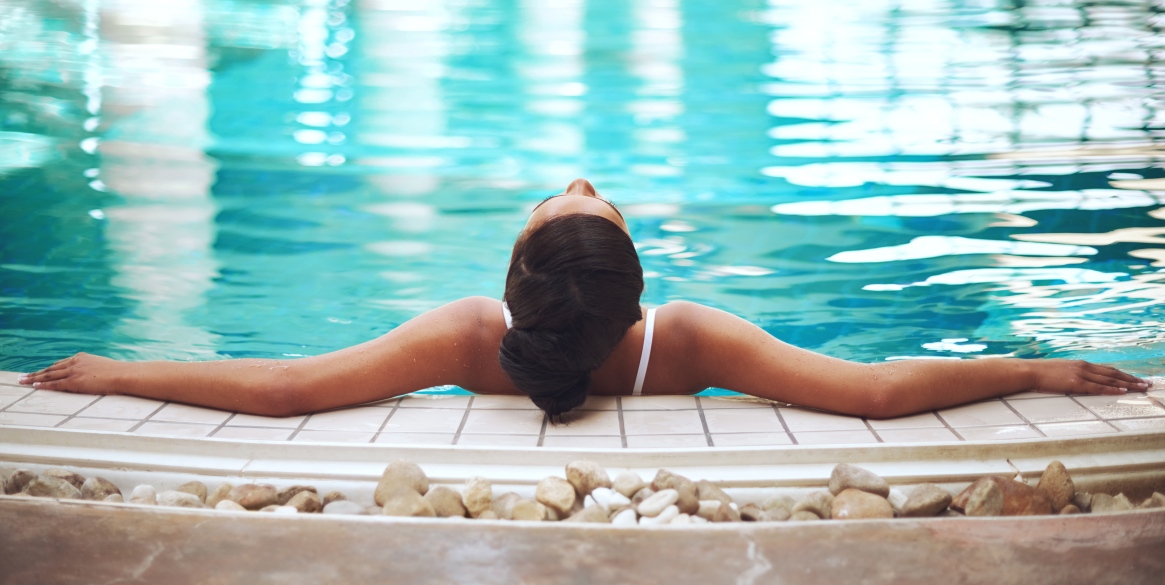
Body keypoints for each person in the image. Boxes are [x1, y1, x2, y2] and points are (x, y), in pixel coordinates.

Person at [19, 179, 1150, 420]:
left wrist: (119, 372)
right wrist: (1035, 369)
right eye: (589, 201)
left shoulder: (472, 335)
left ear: (513, 278)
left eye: (575, 199)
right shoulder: (684, 340)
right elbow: (874, 391)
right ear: (633, 288)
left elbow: (286, 388)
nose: (579, 185)